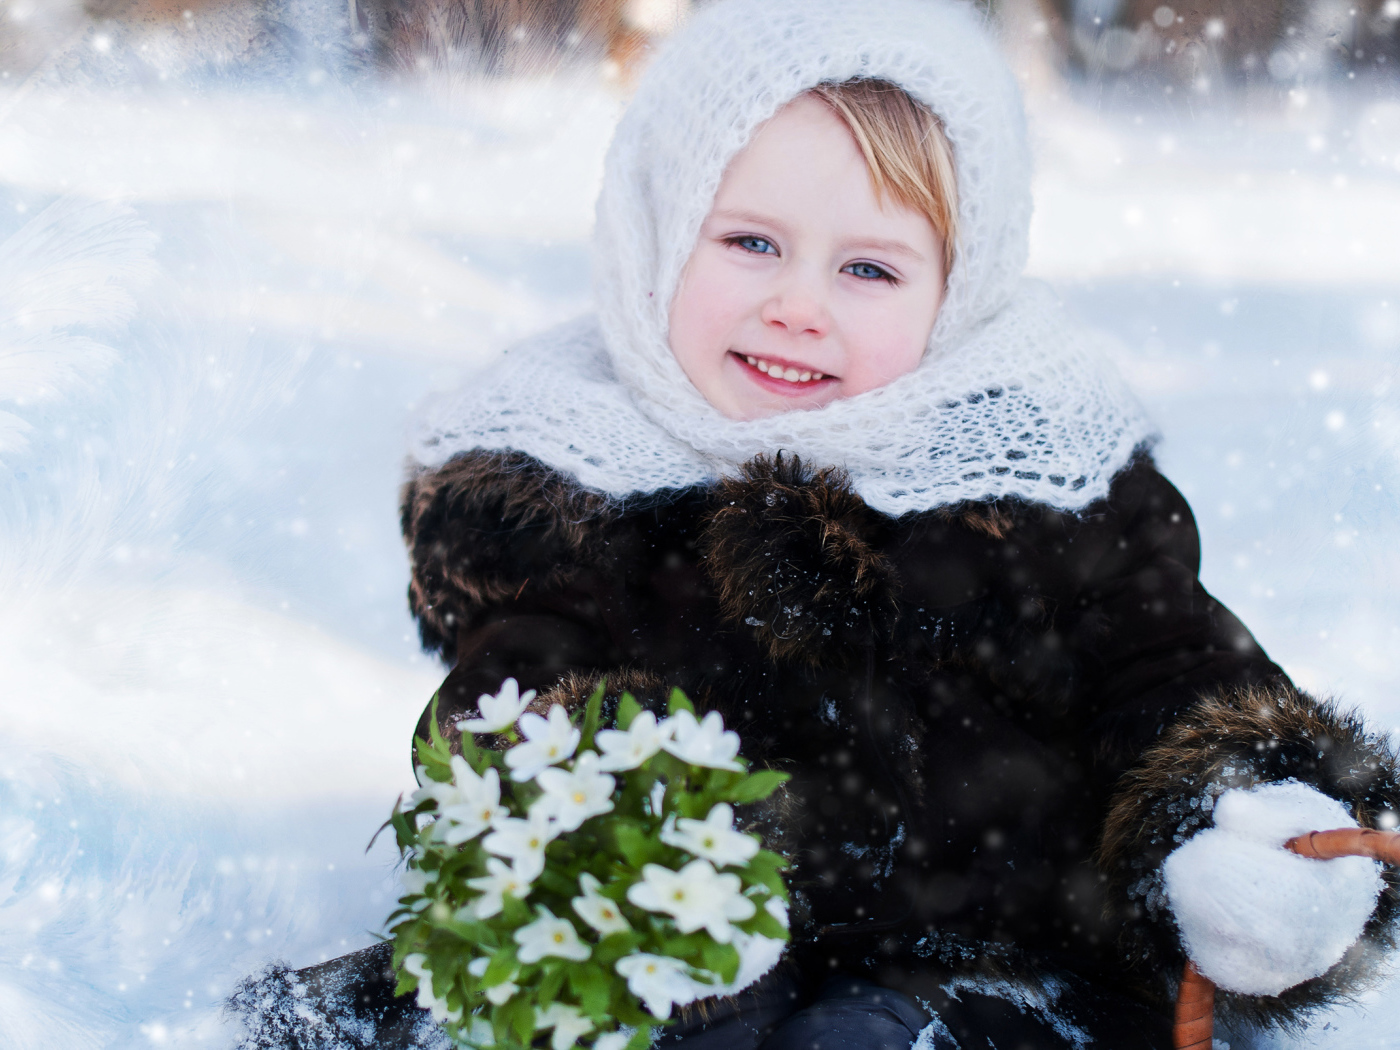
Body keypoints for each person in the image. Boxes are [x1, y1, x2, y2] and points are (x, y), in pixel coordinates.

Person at [231, 1, 1400, 1048]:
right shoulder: (570, 475)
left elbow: (1169, 665)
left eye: (868, 270)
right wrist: (590, 800)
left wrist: (1242, 815)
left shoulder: (1041, 471)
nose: (796, 304)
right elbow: (510, 686)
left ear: (960, 284)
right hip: (693, 951)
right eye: (749, 242)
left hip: (996, 957)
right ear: (653, 230)